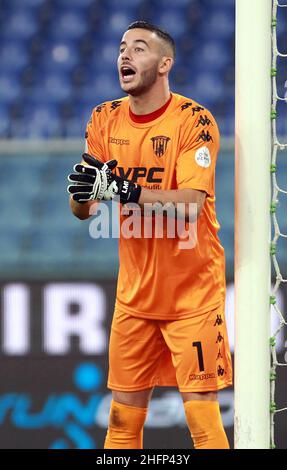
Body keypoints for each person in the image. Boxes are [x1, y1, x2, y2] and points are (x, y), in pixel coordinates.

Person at [67, 20, 232, 449]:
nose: (125, 55)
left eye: (138, 48)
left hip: (193, 297)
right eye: (122, 47)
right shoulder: (103, 119)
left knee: (204, 425)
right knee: (121, 425)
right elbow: (83, 210)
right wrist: (84, 194)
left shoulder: (194, 121)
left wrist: (122, 188)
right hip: (134, 300)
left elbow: (190, 205)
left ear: (164, 64)